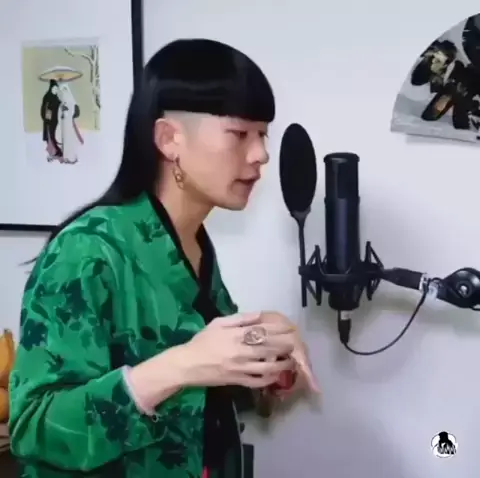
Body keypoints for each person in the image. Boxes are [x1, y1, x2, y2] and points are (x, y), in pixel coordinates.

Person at [9, 38, 319, 478]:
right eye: (239, 134)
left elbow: (210, 394)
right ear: (169, 138)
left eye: (262, 134)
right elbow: (34, 428)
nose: (261, 154)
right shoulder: (87, 251)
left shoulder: (193, 244)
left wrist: (265, 355)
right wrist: (181, 365)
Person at [57, 82, 83, 164]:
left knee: (69, 140)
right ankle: (64, 87)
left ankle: (70, 157)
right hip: (66, 123)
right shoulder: (64, 98)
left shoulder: (68, 98)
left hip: (67, 123)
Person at [40, 79, 63, 161]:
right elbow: (45, 109)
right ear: (51, 88)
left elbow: (60, 104)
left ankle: (56, 151)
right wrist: (48, 120)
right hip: (49, 121)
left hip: (55, 121)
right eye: (54, 89)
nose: (56, 90)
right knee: (51, 136)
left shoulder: (55, 97)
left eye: (57, 89)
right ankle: (57, 151)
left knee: (54, 136)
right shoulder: (47, 97)